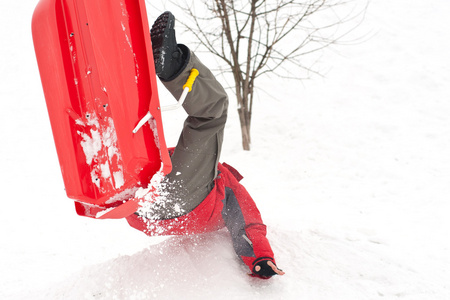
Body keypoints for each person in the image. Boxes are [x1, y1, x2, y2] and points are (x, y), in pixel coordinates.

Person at [126, 11, 284, 279]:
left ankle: (173, 65)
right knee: (136, 131)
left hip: (178, 203)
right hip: (143, 209)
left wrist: (261, 257)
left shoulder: (226, 186)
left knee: (213, 110)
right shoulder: (208, 176)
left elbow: (248, 223)